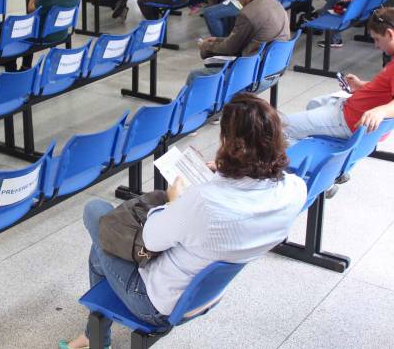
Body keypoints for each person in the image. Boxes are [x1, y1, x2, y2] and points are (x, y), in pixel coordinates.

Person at [60, 93, 305, 349]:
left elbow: (151, 238)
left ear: (232, 145)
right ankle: (92, 335)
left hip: (155, 302)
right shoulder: (295, 190)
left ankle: (95, 336)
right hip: (205, 293)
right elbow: (244, 198)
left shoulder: (204, 203)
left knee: (96, 213)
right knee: (102, 248)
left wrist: (174, 200)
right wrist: (223, 175)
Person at [284, 7, 394, 142]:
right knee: (313, 104)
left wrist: (380, 112)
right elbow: (392, 88)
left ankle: (288, 162)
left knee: (277, 130)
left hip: (348, 120)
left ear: (390, 34)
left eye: (377, 39)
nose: (377, 46)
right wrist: (362, 86)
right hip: (351, 110)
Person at [191, 0, 290, 82]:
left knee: (195, 75)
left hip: (254, 71)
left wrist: (205, 46)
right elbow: (244, 40)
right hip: (277, 65)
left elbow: (230, 48)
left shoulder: (247, 13)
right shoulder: (275, 3)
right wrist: (217, 40)